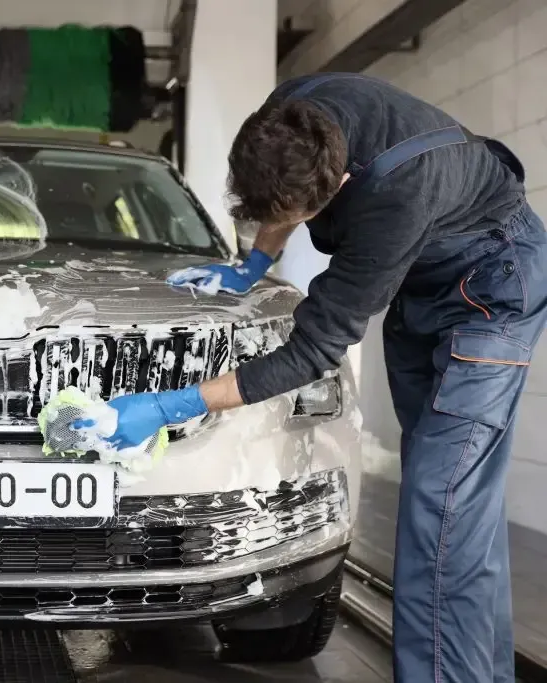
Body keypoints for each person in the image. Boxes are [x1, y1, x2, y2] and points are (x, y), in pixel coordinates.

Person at [81, 73, 547, 682]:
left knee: (442, 505)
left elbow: (310, 353)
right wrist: (251, 264)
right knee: (464, 511)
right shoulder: (289, 116)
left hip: (491, 290)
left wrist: (172, 405)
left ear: (340, 185)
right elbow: (280, 198)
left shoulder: (394, 199)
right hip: (422, 285)